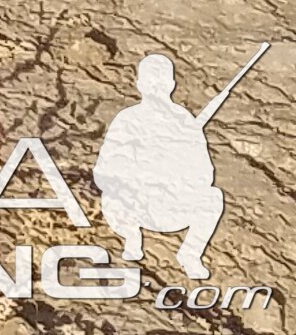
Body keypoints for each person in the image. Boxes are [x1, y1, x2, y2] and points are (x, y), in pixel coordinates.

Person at [94, 53, 230, 279]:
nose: (155, 88)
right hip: (135, 207)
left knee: (213, 197)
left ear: (171, 85)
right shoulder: (127, 120)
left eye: (160, 82)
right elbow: (103, 173)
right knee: (110, 196)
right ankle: (131, 238)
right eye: (150, 82)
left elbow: (205, 175)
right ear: (140, 85)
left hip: (173, 208)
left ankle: (190, 254)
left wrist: (174, 173)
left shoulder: (185, 122)